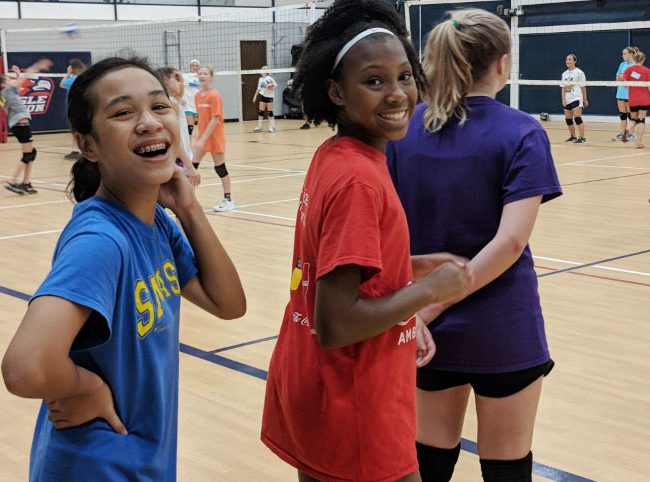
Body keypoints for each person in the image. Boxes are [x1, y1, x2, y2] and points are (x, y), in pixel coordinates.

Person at [1, 57, 246, 481]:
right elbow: (25, 367)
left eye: (159, 106)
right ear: (88, 145)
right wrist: (87, 387)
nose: (149, 122)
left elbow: (229, 304)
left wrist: (187, 206)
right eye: (123, 112)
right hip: (95, 465)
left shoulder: (157, 225)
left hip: (140, 456)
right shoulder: (101, 240)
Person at [261, 2, 471, 481]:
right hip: (352, 400)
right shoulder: (360, 179)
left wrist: (408, 267)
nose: (397, 93)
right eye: (374, 81)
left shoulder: (335, 155)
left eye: (404, 76)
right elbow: (336, 323)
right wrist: (430, 291)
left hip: (315, 384)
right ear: (335, 91)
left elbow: (336, 265)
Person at [386, 9, 562, 482]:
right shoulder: (522, 131)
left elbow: (389, 236)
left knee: (428, 459)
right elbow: (509, 243)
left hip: (422, 320)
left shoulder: (402, 132)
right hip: (501, 325)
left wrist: (422, 309)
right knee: (506, 464)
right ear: (502, 63)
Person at [1, 61, 51, 195]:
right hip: (21, 125)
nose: (10, 80)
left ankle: (26, 183)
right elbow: (25, 77)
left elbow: (17, 87)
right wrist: (38, 66)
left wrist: (17, 73)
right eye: (7, 79)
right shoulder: (7, 90)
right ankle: (12, 182)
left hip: (19, 125)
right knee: (28, 155)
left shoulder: (5, 93)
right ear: (3, 84)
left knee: (31, 153)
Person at [192, 65, 233, 212]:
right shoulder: (196, 95)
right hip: (202, 137)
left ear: (211, 77)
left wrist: (203, 138)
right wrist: (200, 137)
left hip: (215, 137)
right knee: (191, 167)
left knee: (220, 168)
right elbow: (200, 118)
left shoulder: (214, 95)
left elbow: (215, 119)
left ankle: (228, 199)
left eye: (205, 74)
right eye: (200, 74)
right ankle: (189, 200)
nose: (202, 76)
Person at [157, 66, 201, 187]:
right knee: (188, 203)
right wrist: (190, 167)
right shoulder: (171, 104)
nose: (179, 82)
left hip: (178, 159)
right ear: (166, 80)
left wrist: (180, 79)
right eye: (175, 79)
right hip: (179, 160)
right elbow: (175, 140)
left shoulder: (169, 100)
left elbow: (180, 94)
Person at [622, 50, 650, 149]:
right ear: (643, 59)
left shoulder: (629, 70)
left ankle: (626, 132)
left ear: (634, 58)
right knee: (641, 120)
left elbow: (624, 81)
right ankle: (639, 142)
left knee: (633, 119)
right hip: (644, 99)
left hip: (633, 99)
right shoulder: (647, 70)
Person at [60, 58, 87, 160]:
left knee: (76, 130)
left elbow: (62, 84)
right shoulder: (83, 77)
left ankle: (78, 151)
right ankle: (78, 150)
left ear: (72, 68)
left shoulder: (73, 78)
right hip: (83, 106)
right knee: (79, 130)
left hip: (75, 107)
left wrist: (67, 73)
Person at [561, 53, 588, 143]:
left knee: (577, 118)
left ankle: (582, 138)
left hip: (576, 98)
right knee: (568, 119)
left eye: (569, 59)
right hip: (567, 99)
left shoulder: (579, 73)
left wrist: (585, 99)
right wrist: (563, 99)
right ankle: (573, 136)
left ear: (574, 61)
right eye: (566, 59)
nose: (567, 61)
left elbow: (583, 87)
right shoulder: (564, 74)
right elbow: (563, 88)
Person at [613, 46, 637, 142]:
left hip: (631, 94)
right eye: (622, 54)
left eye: (625, 53)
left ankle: (630, 134)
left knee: (631, 115)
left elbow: (635, 78)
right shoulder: (622, 64)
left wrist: (625, 77)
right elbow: (617, 78)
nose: (623, 55)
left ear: (631, 54)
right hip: (620, 92)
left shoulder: (636, 65)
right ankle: (622, 133)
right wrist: (620, 77)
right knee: (622, 115)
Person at [252, 65, 277, 133]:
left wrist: (270, 88)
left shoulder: (269, 78)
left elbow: (275, 87)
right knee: (261, 112)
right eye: (262, 69)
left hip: (269, 97)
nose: (262, 70)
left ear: (266, 72)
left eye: (264, 69)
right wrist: (255, 96)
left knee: (270, 112)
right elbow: (258, 88)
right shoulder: (260, 79)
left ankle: (272, 127)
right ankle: (259, 127)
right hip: (263, 96)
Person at [182, 59, 201, 137]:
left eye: (196, 66)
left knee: (196, 123)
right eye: (193, 65)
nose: (194, 67)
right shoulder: (185, 76)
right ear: (190, 67)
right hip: (187, 103)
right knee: (190, 126)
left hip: (197, 103)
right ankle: (188, 139)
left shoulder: (201, 77)